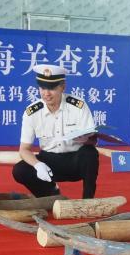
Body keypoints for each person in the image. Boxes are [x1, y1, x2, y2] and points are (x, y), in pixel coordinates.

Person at [13, 64, 100, 199]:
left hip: (75, 161)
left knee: (90, 154)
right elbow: (24, 149)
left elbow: (92, 141)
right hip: (49, 162)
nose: (46, 94)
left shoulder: (78, 106)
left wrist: (89, 139)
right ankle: (50, 195)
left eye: (52, 88)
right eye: (42, 88)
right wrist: (38, 165)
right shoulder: (32, 112)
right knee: (20, 170)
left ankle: (87, 201)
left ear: (63, 87)